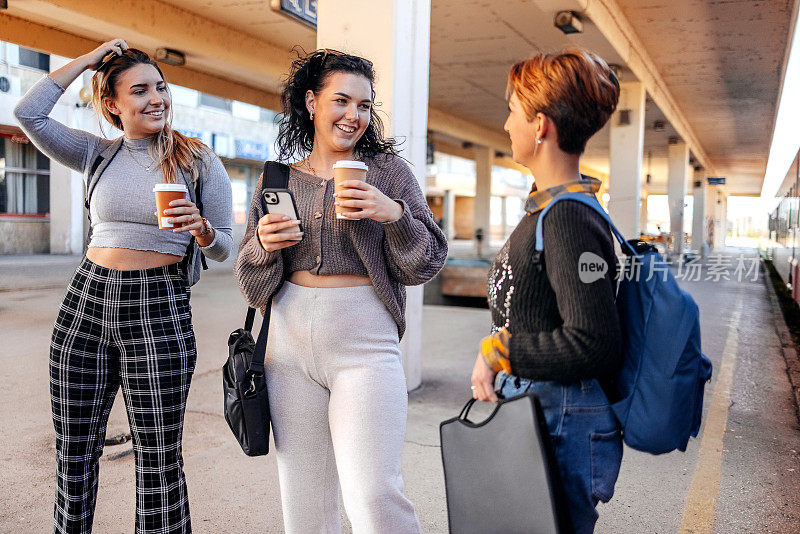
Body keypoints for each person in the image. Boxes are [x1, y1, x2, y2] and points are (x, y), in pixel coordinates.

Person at [14, 38, 233, 533]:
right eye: (139, 90)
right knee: (73, 450)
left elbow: (225, 248)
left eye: (161, 87)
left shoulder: (199, 160)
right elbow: (30, 113)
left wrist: (200, 229)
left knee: (158, 458)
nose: (156, 98)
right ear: (111, 104)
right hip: (86, 303)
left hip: (159, 307)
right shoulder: (96, 153)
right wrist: (90, 61)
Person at [234, 49, 447, 533]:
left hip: (364, 342)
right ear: (311, 102)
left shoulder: (389, 174)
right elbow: (253, 287)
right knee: (304, 504)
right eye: (342, 101)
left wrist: (393, 214)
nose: (354, 116)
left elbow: (426, 262)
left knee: (373, 495)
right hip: (287, 345)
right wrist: (265, 247)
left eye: (365, 106)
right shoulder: (276, 180)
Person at [470, 48, 623, 533]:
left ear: (540, 126)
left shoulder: (569, 220)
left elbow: (594, 341)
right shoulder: (549, 211)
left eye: (513, 111)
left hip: (560, 418)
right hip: (541, 408)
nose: (507, 123)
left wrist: (499, 352)